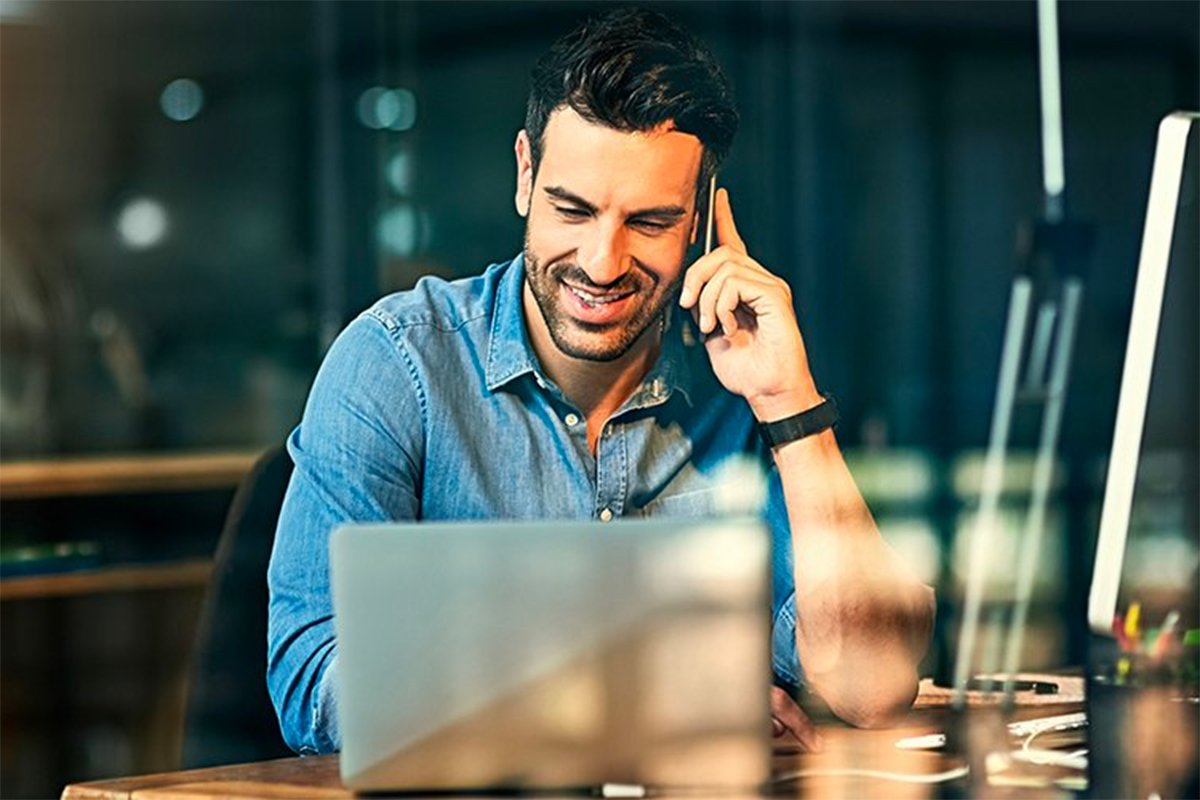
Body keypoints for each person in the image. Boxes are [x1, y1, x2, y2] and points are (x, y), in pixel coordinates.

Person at [267, 7, 934, 758]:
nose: (603, 262)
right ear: (526, 174)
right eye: (572, 210)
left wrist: (788, 405)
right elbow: (315, 688)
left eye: (649, 222)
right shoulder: (398, 364)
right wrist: (655, 697)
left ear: (702, 222)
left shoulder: (743, 390)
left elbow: (871, 687)